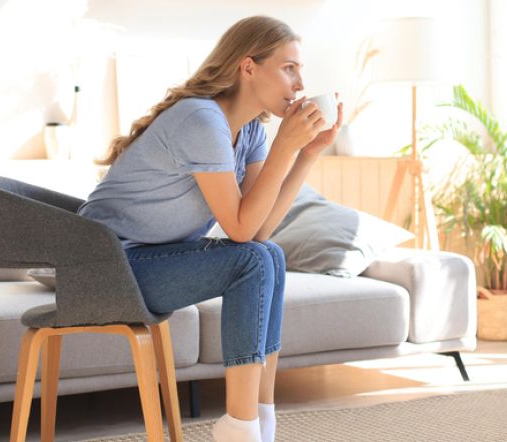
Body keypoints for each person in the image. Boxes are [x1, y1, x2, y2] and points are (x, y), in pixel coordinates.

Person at [78, 15, 342, 442]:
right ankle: (241, 426)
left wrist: (306, 153)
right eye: (289, 68)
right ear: (248, 67)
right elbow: (239, 230)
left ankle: (259, 419)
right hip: (103, 266)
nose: (299, 84)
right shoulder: (200, 119)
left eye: (300, 70)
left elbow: (260, 229)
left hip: (147, 259)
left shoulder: (250, 132)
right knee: (251, 261)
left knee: (269, 255)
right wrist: (284, 146)